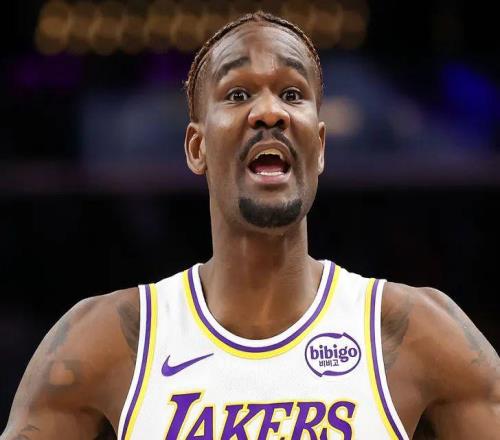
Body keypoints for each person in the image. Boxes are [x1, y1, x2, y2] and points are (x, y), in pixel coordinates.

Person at [2, 11, 499, 440]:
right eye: (238, 93)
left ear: (319, 146)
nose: (269, 112)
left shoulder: (413, 333)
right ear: (197, 147)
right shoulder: (107, 341)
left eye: (292, 93)